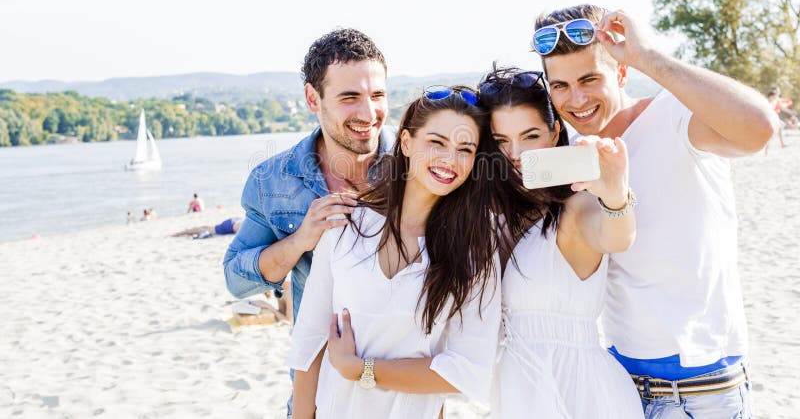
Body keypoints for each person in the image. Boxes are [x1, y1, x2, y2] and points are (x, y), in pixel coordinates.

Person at [532, 4, 776, 417]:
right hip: (617, 384)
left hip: (702, 390)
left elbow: (759, 128)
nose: (576, 99)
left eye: (590, 79)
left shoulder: (673, 118)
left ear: (622, 72)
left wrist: (648, 57)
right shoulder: (567, 153)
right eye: (560, 85)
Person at [286, 87, 503, 419]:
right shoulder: (345, 223)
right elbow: (310, 340)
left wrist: (361, 369)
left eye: (465, 149)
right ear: (405, 142)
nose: (450, 159)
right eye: (437, 142)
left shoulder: (474, 250)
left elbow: (467, 371)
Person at [222, 28, 393, 417]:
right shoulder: (272, 180)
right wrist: (300, 240)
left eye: (378, 95)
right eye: (350, 98)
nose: (369, 114)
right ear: (312, 99)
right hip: (317, 390)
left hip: (406, 383)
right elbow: (236, 279)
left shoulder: (419, 167)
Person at [477, 65, 642, 418]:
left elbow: (616, 236)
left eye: (530, 135)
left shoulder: (574, 207)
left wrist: (615, 196)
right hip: (518, 392)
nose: (516, 153)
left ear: (554, 133)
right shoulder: (497, 216)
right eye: (502, 141)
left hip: (579, 394)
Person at [171, 217, 244, 238]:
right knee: (202, 230)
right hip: (230, 225)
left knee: (207, 228)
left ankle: (182, 232)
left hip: (234, 221)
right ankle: (181, 232)